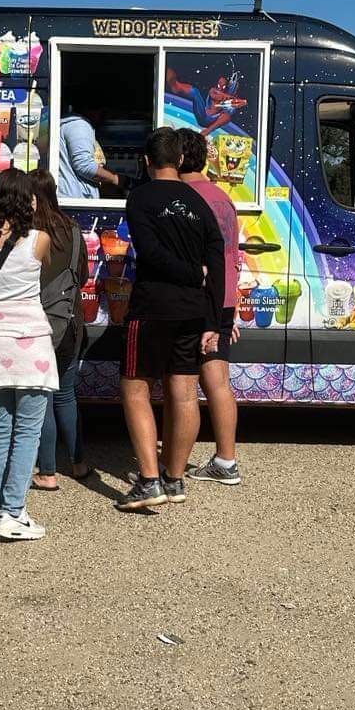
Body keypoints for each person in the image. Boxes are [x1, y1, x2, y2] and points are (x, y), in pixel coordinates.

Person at [116, 127, 225, 512]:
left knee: (135, 387)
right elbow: (218, 260)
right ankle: (174, 478)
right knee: (183, 391)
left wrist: (190, 274)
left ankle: (149, 481)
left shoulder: (141, 197)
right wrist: (214, 319)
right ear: (180, 161)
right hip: (194, 310)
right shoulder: (200, 203)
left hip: (151, 307)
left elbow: (150, 252)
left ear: (147, 162)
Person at [0, 167, 59, 540]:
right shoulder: (39, 239)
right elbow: (42, 273)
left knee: (1, 427)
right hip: (31, 341)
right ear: (28, 201)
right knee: (28, 431)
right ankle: (13, 513)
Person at [177, 128, 242, 484]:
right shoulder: (223, 197)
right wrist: (227, 307)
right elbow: (233, 256)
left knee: (182, 384)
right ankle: (226, 461)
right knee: (218, 380)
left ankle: (170, 469)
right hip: (224, 300)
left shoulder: (180, 198)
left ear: (179, 158)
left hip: (194, 300)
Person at [29, 168, 92, 489]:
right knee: (65, 395)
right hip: (70, 322)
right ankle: (79, 463)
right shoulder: (74, 229)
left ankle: (48, 472)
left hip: (37, 324)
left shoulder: (28, 233)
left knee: (42, 397)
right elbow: (82, 275)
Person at [57, 106, 123, 200]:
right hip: (74, 200)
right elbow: (84, 165)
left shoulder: (80, 126)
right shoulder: (79, 125)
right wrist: (115, 179)